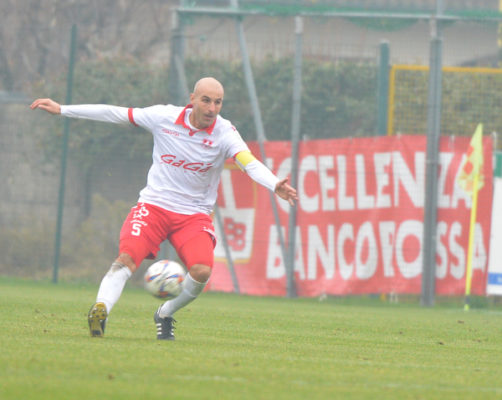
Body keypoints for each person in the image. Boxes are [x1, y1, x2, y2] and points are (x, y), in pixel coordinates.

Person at [31, 77, 298, 340]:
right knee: (126, 258)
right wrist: (63, 109)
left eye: (218, 102)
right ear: (192, 99)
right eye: (206, 101)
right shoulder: (163, 117)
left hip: (194, 216)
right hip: (154, 207)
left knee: (202, 271)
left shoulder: (225, 132)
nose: (212, 108)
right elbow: (116, 113)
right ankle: (101, 310)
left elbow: (248, 162)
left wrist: (274, 183)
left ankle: (165, 313)